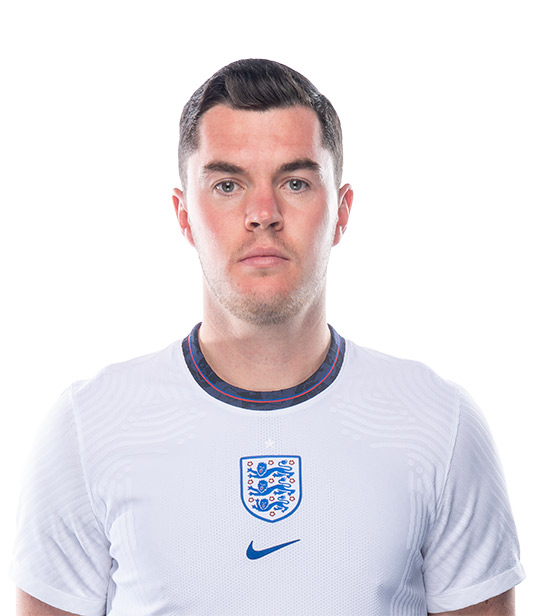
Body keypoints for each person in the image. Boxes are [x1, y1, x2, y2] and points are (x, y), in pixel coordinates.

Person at [12, 59, 524, 616]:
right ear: (184, 216)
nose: (263, 214)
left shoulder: (439, 422)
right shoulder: (88, 428)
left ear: (341, 212)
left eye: (295, 182)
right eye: (228, 185)